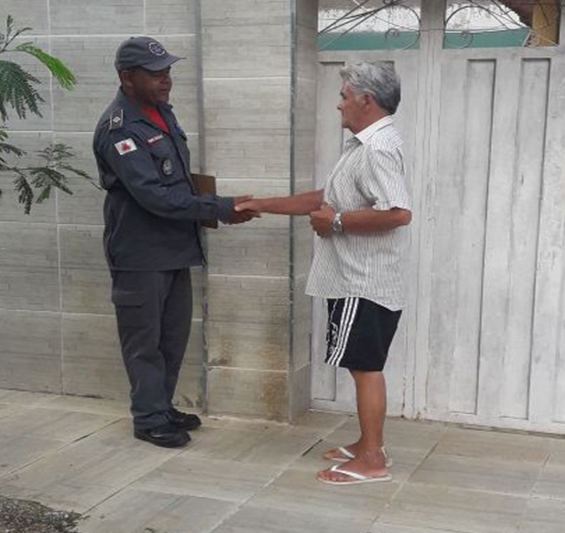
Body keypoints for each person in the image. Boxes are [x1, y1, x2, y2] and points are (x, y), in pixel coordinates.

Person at [236, 61, 411, 484]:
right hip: (355, 278)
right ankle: (370, 443)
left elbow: (398, 212)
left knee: (366, 367)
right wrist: (262, 203)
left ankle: (372, 459)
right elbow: (324, 198)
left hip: (363, 280)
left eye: (344, 96)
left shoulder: (377, 148)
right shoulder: (362, 146)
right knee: (360, 365)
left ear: (365, 100)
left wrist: (336, 223)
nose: (339, 105)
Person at [92, 36, 257, 449]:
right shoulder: (120, 128)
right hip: (140, 253)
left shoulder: (160, 114)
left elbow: (177, 182)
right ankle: (148, 418)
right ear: (126, 77)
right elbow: (153, 194)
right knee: (143, 341)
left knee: (171, 336)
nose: (166, 80)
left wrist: (210, 209)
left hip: (173, 248)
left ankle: (161, 406)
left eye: (167, 71)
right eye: (155, 73)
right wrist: (218, 208)